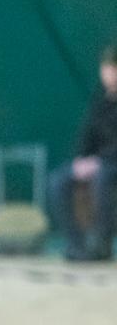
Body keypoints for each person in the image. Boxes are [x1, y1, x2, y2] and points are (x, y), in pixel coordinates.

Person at [49, 44, 117, 261]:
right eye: (107, 69)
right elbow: (87, 135)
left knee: (102, 178)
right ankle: (76, 245)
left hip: (110, 165)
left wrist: (100, 161)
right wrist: (80, 160)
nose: (110, 75)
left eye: (114, 69)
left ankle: (102, 244)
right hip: (97, 162)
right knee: (58, 180)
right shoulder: (100, 101)